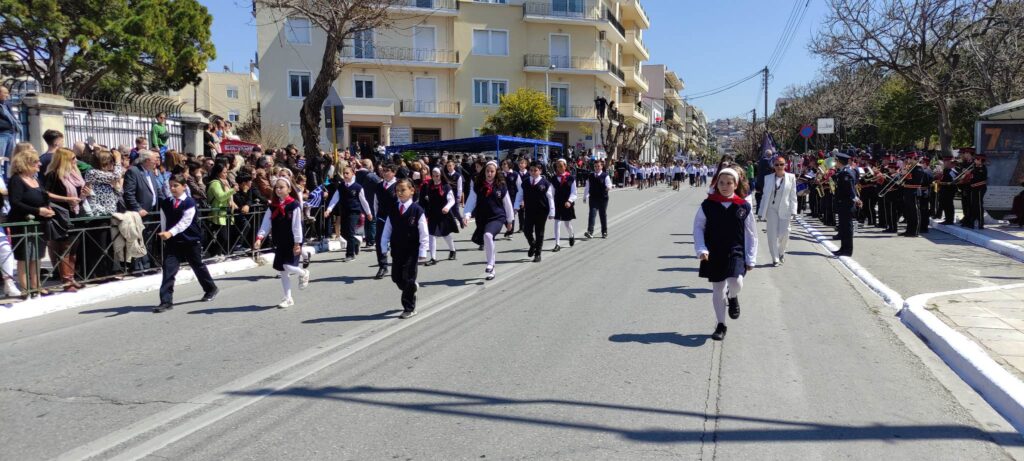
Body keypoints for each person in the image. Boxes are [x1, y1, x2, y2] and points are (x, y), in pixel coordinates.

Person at [693, 168, 757, 341]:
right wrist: (701, 249)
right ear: (716, 184)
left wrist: (751, 257)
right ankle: (721, 324)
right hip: (714, 251)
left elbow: (751, 234)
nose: (725, 186)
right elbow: (698, 227)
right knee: (718, 288)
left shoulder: (743, 206)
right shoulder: (708, 205)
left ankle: (733, 296)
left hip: (735, 251)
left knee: (736, 282)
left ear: (736, 185)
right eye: (721, 183)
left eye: (729, 183)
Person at [155, 174, 218, 313]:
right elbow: (163, 220)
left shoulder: (189, 202)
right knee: (168, 270)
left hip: (190, 240)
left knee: (197, 266)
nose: (172, 188)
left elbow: (185, 222)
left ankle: (210, 288)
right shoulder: (165, 203)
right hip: (173, 242)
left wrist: (170, 232)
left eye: (176, 185)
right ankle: (166, 301)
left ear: (184, 187)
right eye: (170, 186)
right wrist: (164, 233)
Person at [254, 178, 310, 308]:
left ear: (289, 189)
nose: (278, 189)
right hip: (280, 240)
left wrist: (297, 243)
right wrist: (259, 238)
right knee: (282, 270)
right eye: (276, 188)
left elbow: (297, 225)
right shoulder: (272, 206)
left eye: (281, 187)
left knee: (286, 266)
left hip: (292, 240)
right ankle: (288, 297)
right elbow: (266, 223)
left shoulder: (294, 205)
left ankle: (303, 273)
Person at [8, 146, 53, 297]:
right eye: (36, 162)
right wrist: (38, 211)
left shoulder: (35, 179)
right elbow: (16, 202)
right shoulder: (16, 180)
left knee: (37, 255)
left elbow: (43, 196)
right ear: (26, 163)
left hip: (39, 223)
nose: (39, 165)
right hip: (22, 223)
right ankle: (25, 289)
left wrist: (47, 207)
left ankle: (37, 286)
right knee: (24, 257)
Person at [380, 179, 429, 319]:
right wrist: (383, 246)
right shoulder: (394, 209)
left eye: (403, 190)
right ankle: (412, 287)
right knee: (396, 277)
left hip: (411, 250)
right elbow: (387, 229)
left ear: (412, 190)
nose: (400, 193)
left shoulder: (417, 210)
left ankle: (409, 307)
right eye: (397, 191)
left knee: (408, 277)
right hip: (397, 248)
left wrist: (423, 251)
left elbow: (424, 232)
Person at [43, 148, 87, 292]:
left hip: (76, 212)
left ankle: (72, 277)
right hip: (62, 214)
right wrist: (67, 199)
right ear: (64, 160)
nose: (76, 161)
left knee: (74, 248)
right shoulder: (53, 175)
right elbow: (47, 194)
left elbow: (79, 193)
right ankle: (66, 280)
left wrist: (84, 194)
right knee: (65, 248)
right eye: (73, 158)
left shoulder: (75, 174)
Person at [462, 161, 515, 280]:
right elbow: (471, 202)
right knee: (488, 239)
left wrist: (510, 220)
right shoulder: (478, 186)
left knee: (488, 235)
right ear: (484, 172)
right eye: (487, 171)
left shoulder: (501, 186)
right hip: (482, 218)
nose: (489, 173)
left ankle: (490, 263)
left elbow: (508, 205)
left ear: (496, 173)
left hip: (497, 217)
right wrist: (466, 215)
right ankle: (492, 270)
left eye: (492, 171)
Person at [324, 165, 373, 262]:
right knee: (344, 233)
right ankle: (355, 242)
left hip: (354, 212)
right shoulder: (341, 186)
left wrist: (368, 213)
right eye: (344, 173)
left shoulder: (358, 187)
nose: (345, 175)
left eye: (347, 173)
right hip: (344, 211)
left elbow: (364, 201)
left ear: (352, 174)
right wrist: (329, 209)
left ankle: (350, 254)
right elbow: (335, 199)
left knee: (350, 232)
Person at [758, 155, 798, 266]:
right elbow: (765, 196)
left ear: (785, 165)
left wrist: (794, 210)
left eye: (781, 164)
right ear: (773, 166)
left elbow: (793, 196)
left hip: (785, 208)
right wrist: (761, 212)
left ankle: (781, 252)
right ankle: (775, 258)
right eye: (777, 164)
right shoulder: (768, 178)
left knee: (785, 233)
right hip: (771, 208)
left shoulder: (791, 177)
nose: (779, 166)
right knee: (771, 233)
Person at [516, 160, 555, 263]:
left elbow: (550, 198)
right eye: (531, 170)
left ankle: (538, 253)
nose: (533, 172)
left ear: (540, 171)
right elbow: (519, 194)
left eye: (535, 170)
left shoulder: (545, 183)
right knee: (526, 230)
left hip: (542, 211)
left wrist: (552, 212)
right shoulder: (525, 182)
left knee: (539, 232)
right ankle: (533, 245)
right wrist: (516, 205)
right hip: (529, 210)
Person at [420, 167, 457, 265]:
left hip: (443, 213)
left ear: (441, 175)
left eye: (437, 175)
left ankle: (452, 250)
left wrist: (447, 207)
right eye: (433, 175)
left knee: (445, 234)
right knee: (431, 234)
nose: (435, 177)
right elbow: (424, 199)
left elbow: (452, 200)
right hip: (432, 213)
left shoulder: (446, 186)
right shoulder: (429, 186)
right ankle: (433, 258)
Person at [832, 152, 861, 256]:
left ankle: (847, 250)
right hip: (843, 203)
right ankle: (843, 248)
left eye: (836, 161)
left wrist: (855, 199)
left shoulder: (846, 172)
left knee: (847, 228)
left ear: (839, 162)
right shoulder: (844, 171)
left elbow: (850, 189)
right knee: (843, 227)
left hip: (846, 203)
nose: (835, 163)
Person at [373, 164, 398, 280]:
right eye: (383, 171)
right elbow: (376, 202)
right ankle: (383, 266)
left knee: (396, 243)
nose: (384, 173)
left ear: (394, 172)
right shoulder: (378, 186)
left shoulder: (399, 185)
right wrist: (376, 215)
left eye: (387, 171)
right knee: (379, 242)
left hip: (396, 219)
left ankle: (397, 265)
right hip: (382, 218)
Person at [205, 162, 236, 256]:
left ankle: (219, 253)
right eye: (224, 173)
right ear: (218, 173)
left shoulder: (225, 182)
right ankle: (215, 254)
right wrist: (233, 190)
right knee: (222, 237)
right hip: (217, 213)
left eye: (226, 172)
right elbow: (221, 197)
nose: (226, 175)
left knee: (225, 236)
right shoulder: (215, 183)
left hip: (225, 212)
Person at [550, 159, 577, 251]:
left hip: (567, 204)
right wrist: (551, 205)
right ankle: (557, 244)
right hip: (557, 203)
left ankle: (571, 234)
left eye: (561, 166)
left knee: (567, 224)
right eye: (558, 166)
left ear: (565, 166)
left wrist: (569, 201)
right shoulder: (553, 179)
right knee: (557, 223)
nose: (559, 168)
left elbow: (574, 192)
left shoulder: (571, 178)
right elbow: (551, 193)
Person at [583, 159, 612, 239]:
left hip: (603, 198)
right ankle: (590, 232)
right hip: (593, 198)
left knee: (602, 215)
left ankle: (604, 232)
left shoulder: (605, 175)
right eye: (595, 166)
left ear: (601, 166)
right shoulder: (591, 176)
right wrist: (585, 196)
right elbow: (587, 187)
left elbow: (609, 184)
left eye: (598, 166)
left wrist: (608, 188)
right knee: (592, 214)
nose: (597, 168)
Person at [0, 86, 21, 178]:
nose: (7, 95)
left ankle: (7, 179)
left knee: (9, 159)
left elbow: (12, 117)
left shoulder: (7, 104)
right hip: (2, 134)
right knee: (1, 158)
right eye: (5, 93)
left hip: (11, 134)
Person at [964, 154, 988, 229]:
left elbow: (983, 180)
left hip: (980, 188)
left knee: (979, 205)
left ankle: (981, 222)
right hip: (973, 189)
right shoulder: (974, 168)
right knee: (973, 205)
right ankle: (972, 221)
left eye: (976, 159)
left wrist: (973, 183)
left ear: (980, 160)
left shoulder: (983, 168)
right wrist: (967, 174)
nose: (975, 160)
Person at [937, 155, 957, 224]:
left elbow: (953, 181)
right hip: (944, 190)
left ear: (949, 162)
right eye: (944, 161)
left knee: (949, 205)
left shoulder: (951, 171)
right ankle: (947, 218)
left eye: (945, 161)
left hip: (949, 190)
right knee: (945, 204)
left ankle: (950, 219)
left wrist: (942, 182)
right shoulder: (945, 170)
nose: (944, 163)